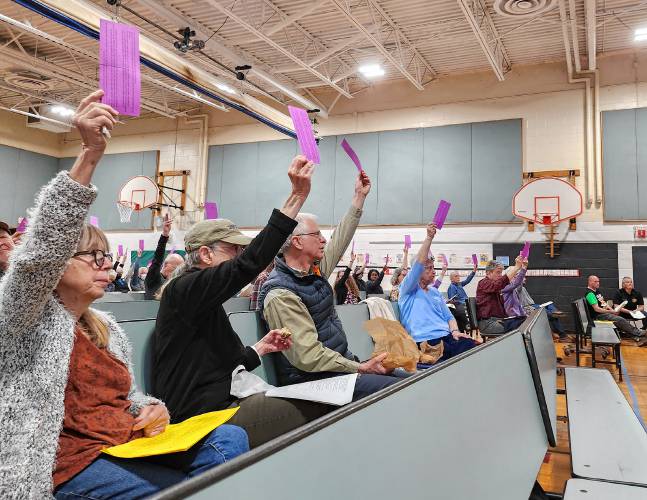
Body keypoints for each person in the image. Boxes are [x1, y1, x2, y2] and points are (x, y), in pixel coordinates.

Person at [0, 90, 249, 500]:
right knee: (187, 489)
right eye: (91, 255)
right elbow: (40, 251)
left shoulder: (106, 327)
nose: (107, 265)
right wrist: (89, 154)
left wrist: (150, 407)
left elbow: (126, 396)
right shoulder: (24, 317)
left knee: (230, 440)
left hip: (121, 442)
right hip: (62, 463)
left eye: (107, 256)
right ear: (56, 265)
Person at [152, 155, 332, 448]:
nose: (239, 256)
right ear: (207, 255)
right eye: (233, 250)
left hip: (223, 400)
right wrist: (296, 197)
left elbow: (222, 365)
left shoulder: (203, 300)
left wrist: (260, 348)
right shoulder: (184, 290)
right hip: (203, 416)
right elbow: (247, 265)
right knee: (324, 405)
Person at [259, 170, 401, 400]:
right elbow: (308, 356)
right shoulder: (280, 294)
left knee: (408, 381)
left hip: (336, 370)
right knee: (395, 393)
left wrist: (359, 198)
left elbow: (340, 239)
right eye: (317, 235)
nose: (324, 240)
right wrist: (360, 367)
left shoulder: (313, 274)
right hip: (311, 380)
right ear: (297, 241)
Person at [398, 223, 478, 362]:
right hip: (425, 340)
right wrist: (429, 238)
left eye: (433, 267)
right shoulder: (408, 289)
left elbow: (449, 317)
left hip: (447, 336)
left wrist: (455, 331)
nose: (434, 271)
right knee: (456, 360)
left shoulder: (435, 292)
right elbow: (418, 265)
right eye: (428, 268)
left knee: (471, 347)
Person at [585, 275, 646, 344]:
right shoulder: (590, 294)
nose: (598, 283)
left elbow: (604, 303)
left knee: (619, 320)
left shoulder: (597, 291)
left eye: (598, 281)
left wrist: (613, 311)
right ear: (590, 282)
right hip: (598, 316)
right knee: (620, 319)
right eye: (595, 281)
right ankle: (638, 333)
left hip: (604, 313)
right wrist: (611, 311)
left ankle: (635, 335)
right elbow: (597, 309)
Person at [476, 258, 527, 335]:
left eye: (501, 273)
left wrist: (523, 268)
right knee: (523, 325)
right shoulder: (483, 283)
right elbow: (501, 283)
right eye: (498, 272)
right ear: (488, 273)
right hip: (488, 324)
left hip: (497, 320)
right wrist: (517, 267)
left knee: (525, 320)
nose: (500, 275)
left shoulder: (494, 286)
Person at [146, 214, 185, 299]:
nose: (179, 271)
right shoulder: (153, 278)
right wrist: (165, 234)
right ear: (166, 265)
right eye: (177, 267)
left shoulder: (175, 283)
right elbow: (157, 259)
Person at [446, 263, 477, 332]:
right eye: (456, 276)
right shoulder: (452, 287)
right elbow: (453, 301)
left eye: (458, 276)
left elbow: (467, 280)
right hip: (462, 305)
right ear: (451, 278)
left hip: (466, 303)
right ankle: (468, 326)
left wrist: (474, 271)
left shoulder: (459, 284)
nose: (458, 277)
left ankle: (473, 325)